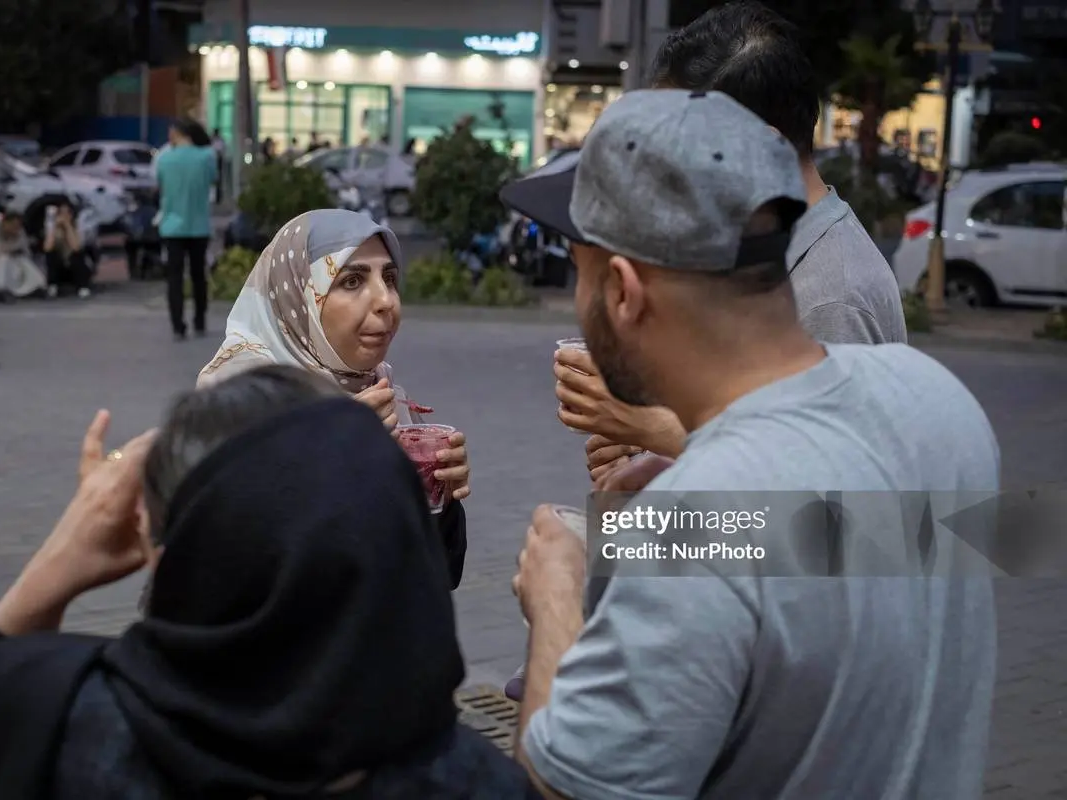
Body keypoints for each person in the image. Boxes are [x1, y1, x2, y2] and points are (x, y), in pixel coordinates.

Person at [502, 89, 999, 800]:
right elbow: (888, 548)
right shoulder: (941, 400)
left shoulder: (694, 517)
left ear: (622, 291)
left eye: (578, 271)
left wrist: (555, 595)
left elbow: (565, 788)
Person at [0, 365, 538, 800]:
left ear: (177, 560)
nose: (383, 301)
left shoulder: (74, 727)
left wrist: (63, 558)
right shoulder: (465, 774)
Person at [552, 0, 910, 485]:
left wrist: (656, 429)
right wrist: (649, 459)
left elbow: (827, 490)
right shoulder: (757, 254)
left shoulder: (831, 295)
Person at [197, 209, 472, 588]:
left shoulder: (381, 393)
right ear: (300, 299)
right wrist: (324, 450)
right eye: (352, 281)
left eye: (389, 278)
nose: (385, 300)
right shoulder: (236, 404)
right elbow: (227, 569)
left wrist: (439, 500)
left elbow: (437, 574)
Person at [156, 119, 217, 340]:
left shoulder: (164, 159)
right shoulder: (207, 157)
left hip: (172, 226)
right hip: (199, 224)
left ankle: (178, 325)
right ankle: (199, 320)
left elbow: (160, 186)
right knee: (198, 275)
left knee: (174, 277)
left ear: (177, 133)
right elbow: (212, 181)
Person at [0, 210, 48, 303]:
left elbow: (27, 253)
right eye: (13, 225)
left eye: (18, 226)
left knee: (24, 261)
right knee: (2, 259)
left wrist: (15, 252)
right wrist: (2, 253)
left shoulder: (20, 233)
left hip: (15, 267)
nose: (16, 229)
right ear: (5, 223)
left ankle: (37, 287)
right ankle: (0, 290)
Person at [42, 202, 93, 299]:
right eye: (61, 213)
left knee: (77, 256)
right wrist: (54, 228)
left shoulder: (78, 226)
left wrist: (67, 226)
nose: (63, 216)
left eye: (66, 213)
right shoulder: (52, 226)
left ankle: (82, 287)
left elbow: (76, 247)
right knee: (51, 256)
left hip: (74, 264)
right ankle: (52, 286)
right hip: (60, 266)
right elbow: (47, 248)